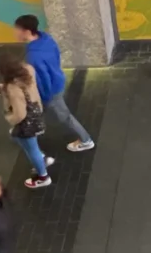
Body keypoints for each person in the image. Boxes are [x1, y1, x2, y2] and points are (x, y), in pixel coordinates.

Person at [14, 15, 95, 153]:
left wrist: (44, 97)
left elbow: (42, 79)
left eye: (17, 30)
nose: (15, 32)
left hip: (50, 91)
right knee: (37, 111)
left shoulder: (34, 56)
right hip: (57, 80)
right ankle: (30, 130)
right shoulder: (46, 39)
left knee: (65, 117)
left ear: (27, 32)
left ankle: (86, 140)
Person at [0, 56, 52, 189]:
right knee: (16, 137)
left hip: (26, 123)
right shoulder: (28, 70)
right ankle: (41, 160)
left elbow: (20, 114)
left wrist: (10, 118)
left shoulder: (12, 88)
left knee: (32, 149)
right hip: (36, 111)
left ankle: (43, 176)